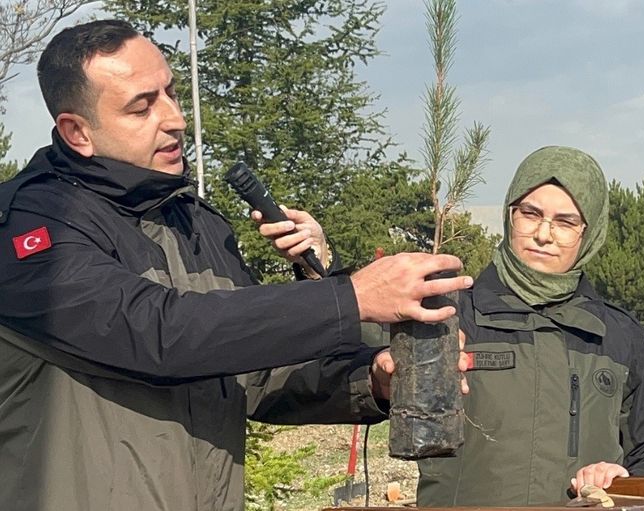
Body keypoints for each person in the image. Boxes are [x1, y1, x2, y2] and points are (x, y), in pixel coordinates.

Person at [0, 20, 471, 510]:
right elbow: (158, 333)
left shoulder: (194, 220)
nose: (175, 118)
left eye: (171, 92)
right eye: (142, 107)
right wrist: (351, 297)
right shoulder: (27, 227)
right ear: (77, 132)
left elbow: (256, 376)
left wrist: (372, 379)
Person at [416, 146, 644, 506]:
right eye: (530, 214)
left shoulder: (621, 338)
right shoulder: (448, 316)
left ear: (589, 233)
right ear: (510, 215)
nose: (543, 234)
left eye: (565, 222)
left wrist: (627, 480)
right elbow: (356, 374)